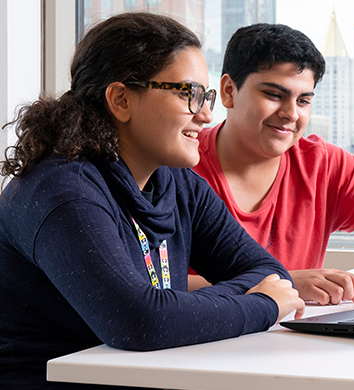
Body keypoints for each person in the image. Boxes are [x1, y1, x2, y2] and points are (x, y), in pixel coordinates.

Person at [0, 13, 304, 389]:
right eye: (188, 93)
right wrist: (262, 304)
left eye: (206, 96)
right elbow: (140, 322)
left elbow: (270, 276)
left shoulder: (176, 182)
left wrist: (181, 309)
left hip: (147, 377)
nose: (207, 114)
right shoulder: (62, 190)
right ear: (121, 99)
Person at [191, 23, 354, 307]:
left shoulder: (322, 165)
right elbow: (150, 285)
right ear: (228, 91)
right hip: (198, 345)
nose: (291, 114)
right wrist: (285, 283)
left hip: (295, 344)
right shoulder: (180, 164)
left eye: (303, 100)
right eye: (274, 95)